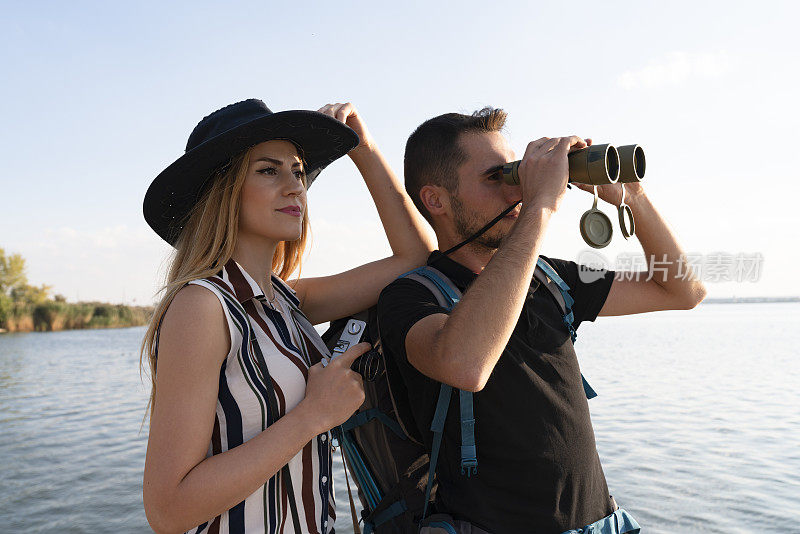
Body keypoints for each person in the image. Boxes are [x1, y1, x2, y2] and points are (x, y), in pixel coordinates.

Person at [376, 108, 707, 533]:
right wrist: (541, 204)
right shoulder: (410, 297)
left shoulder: (549, 278)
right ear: (436, 199)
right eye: (498, 177)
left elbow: (682, 290)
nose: (516, 189)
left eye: (517, 173)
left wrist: (632, 197)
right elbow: (464, 364)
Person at [140, 99, 433, 534]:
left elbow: (416, 258)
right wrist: (312, 415)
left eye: (297, 171)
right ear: (222, 191)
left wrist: (363, 149)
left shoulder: (287, 301)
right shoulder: (203, 306)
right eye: (268, 170)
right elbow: (168, 510)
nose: (296, 186)